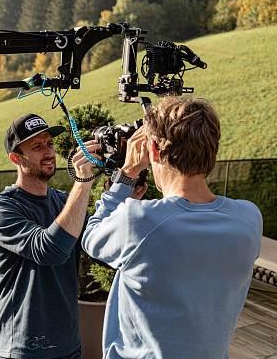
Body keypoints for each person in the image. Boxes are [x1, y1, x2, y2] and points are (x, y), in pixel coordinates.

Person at [81, 97, 263, 358]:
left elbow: (92, 237)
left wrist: (127, 175)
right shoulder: (249, 219)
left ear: (153, 150)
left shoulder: (140, 221)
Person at [0, 113, 101, 359]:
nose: (48, 152)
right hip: (24, 350)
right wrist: (83, 182)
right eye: (37, 147)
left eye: (50, 143)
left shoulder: (66, 202)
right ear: (16, 158)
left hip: (70, 346)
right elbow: (49, 250)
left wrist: (123, 191)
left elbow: (100, 250)